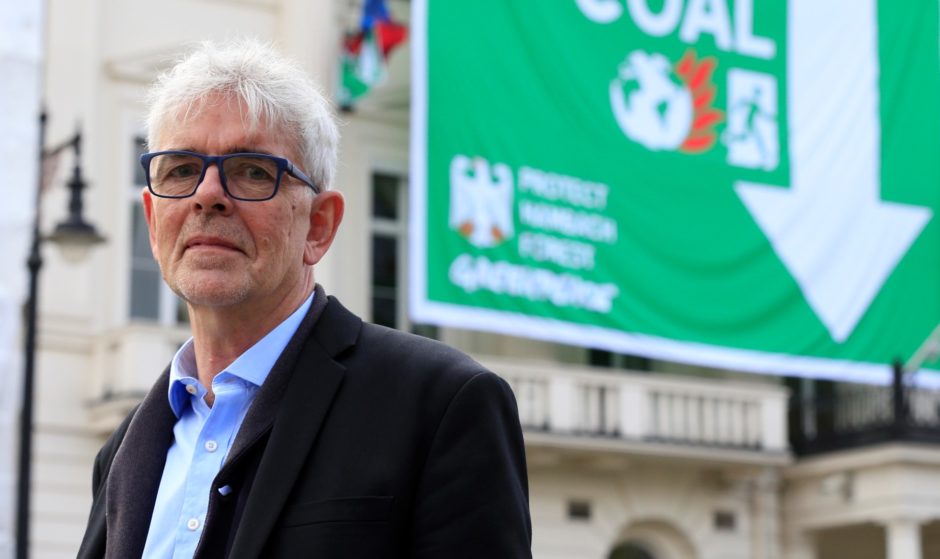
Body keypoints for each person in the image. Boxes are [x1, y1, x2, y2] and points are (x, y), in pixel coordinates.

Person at [77, 39, 532, 558]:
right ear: (154, 222)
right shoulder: (122, 454)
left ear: (319, 225)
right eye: (180, 170)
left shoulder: (442, 405)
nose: (207, 194)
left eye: (252, 171)